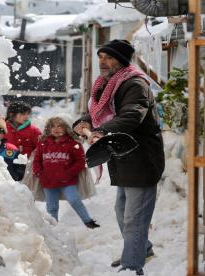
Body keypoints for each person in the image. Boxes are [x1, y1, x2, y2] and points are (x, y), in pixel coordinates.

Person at [73, 39, 165, 275]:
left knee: (134, 217)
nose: (103, 62)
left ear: (121, 60)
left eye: (109, 57)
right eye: (101, 57)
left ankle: (133, 265)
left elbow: (132, 115)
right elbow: (98, 112)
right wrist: (84, 122)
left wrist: (101, 130)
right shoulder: (107, 83)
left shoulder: (134, 83)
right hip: (123, 156)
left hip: (141, 157)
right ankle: (141, 250)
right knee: (122, 211)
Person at [33, 115, 99, 229]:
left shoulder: (73, 144)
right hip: (48, 181)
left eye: (60, 126)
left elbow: (80, 161)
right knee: (52, 207)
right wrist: (39, 172)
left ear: (66, 128)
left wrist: (68, 173)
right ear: (48, 128)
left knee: (74, 200)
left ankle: (88, 221)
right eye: (52, 126)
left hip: (67, 181)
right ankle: (53, 228)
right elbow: (37, 160)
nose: (56, 129)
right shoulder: (43, 143)